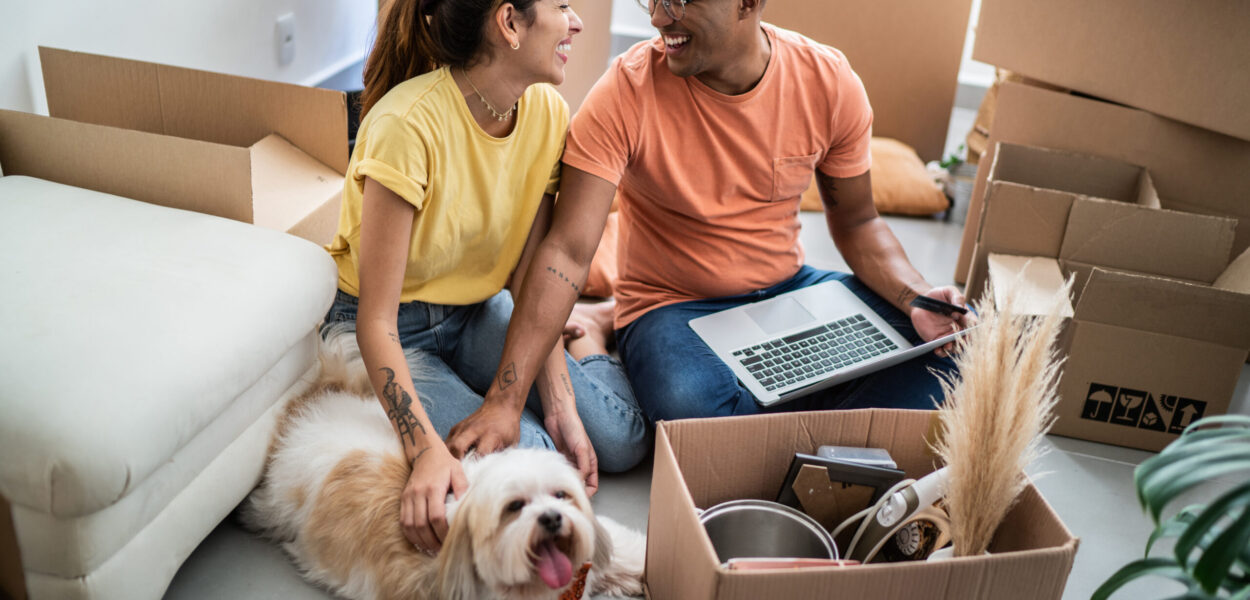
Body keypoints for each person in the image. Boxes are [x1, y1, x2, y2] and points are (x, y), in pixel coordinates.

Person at [445, 0, 975, 449]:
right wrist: (505, 402)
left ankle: (777, 436)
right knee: (689, 408)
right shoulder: (625, 91)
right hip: (669, 309)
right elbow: (566, 251)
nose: (658, 17)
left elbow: (858, 222)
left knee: (948, 360)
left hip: (789, 293)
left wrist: (917, 296)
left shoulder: (828, 79)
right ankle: (825, 428)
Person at [321, 0, 650, 557]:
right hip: (383, 329)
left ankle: (588, 336)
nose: (577, 22)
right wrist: (425, 449)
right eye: (562, 6)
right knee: (540, 457)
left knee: (619, 440)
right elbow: (375, 321)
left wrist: (560, 399)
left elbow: (529, 280)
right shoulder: (407, 126)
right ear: (509, 23)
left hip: (475, 308)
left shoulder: (545, 110)